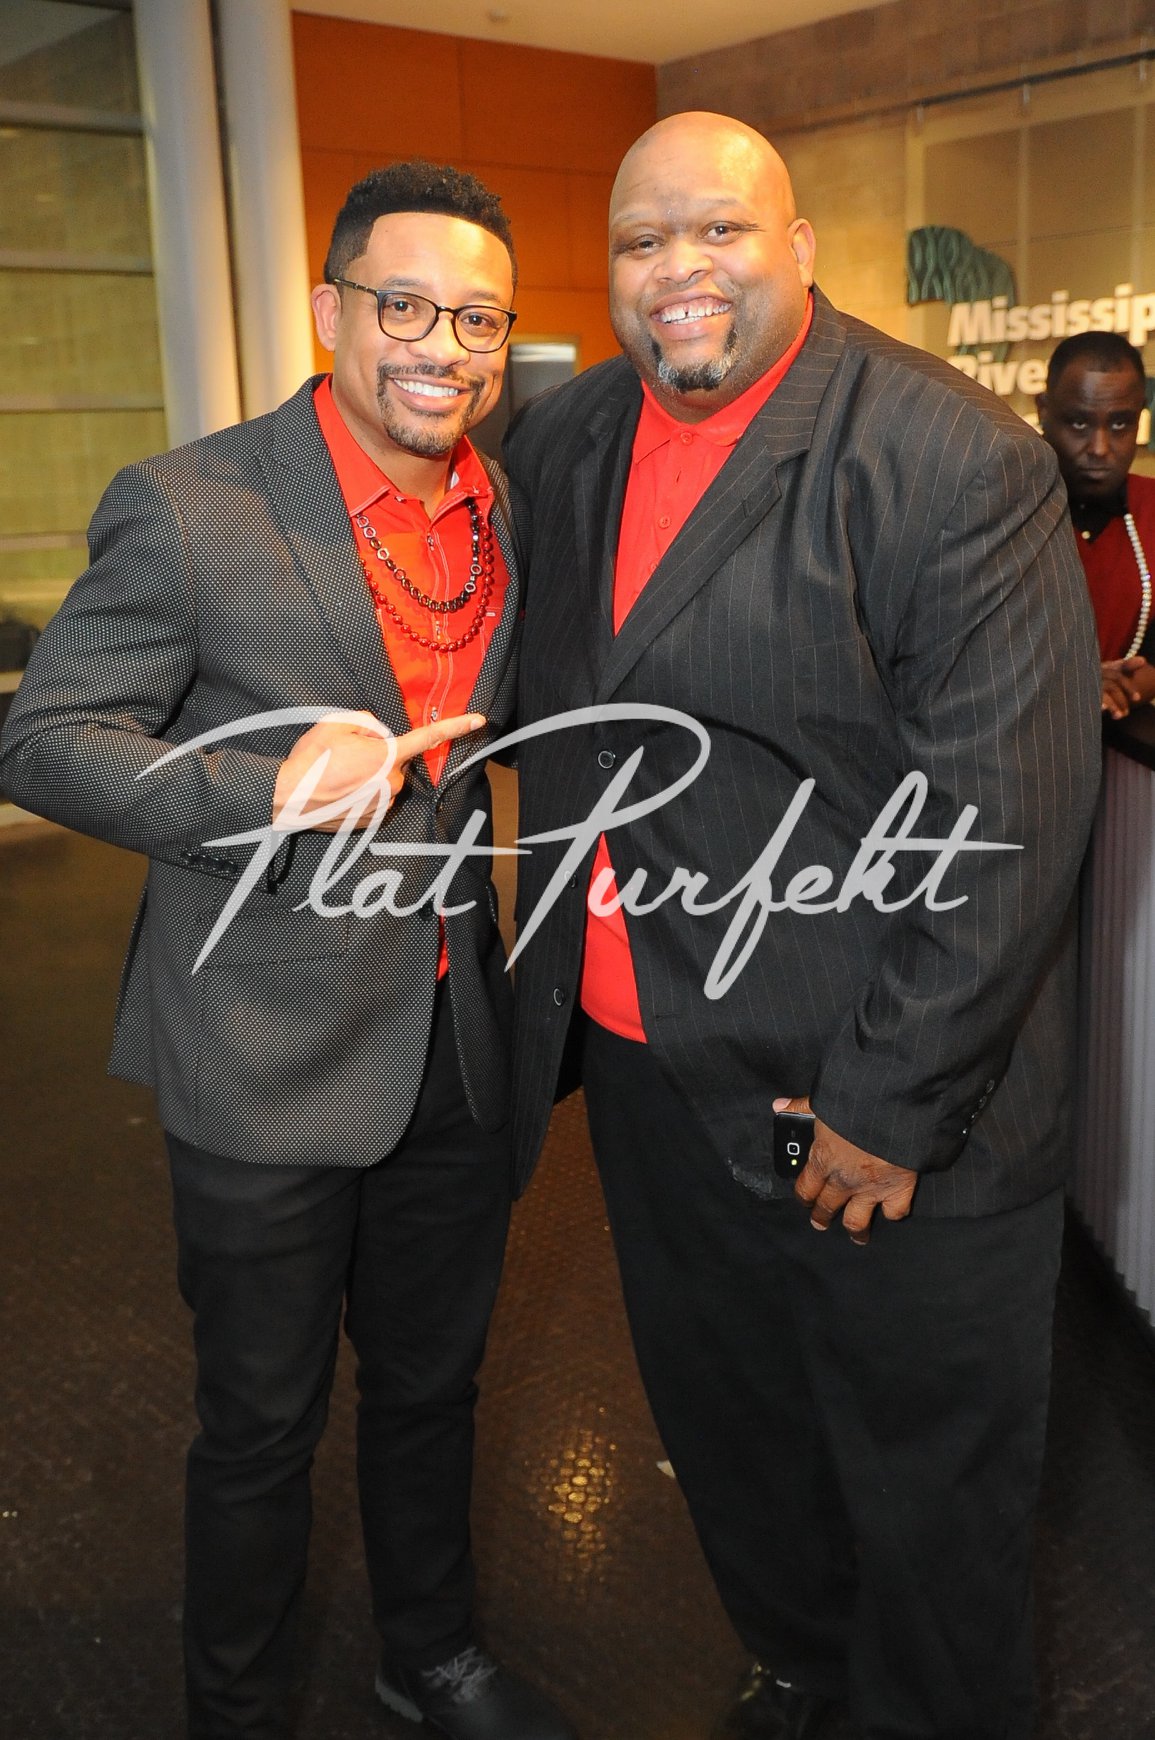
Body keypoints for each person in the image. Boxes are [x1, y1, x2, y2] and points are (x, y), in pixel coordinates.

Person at [503, 112, 1101, 1740]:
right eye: (642, 241)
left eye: (719, 231)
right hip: (650, 1078)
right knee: (738, 1444)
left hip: (881, 1103)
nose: (677, 271)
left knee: (929, 1509)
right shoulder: (568, 441)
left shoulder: (947, 457)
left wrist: (886, 1108)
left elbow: (1001, 825)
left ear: (800, 247)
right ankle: (803, 1673)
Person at [0, 160, 576, 1740]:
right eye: (404, 306)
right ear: (330, 310)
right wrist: (262, 790)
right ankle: (236, 1708)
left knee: (431, 1388)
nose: (440, 347)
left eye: (476, 318)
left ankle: (427, 1655)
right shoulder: (191, 506)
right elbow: (44, 743)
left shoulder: (504, 507)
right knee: (258, 1426)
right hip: (260, 1050)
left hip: (454, 1036)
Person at [1037, 330, 1155, 719]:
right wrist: (1079, 684)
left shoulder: (1151, 506)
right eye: (1078, 423)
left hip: (1125, 746)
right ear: (1043, 410)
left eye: (1120, 424)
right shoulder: (1003, 510)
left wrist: (1120, 688)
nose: (1100, 448)